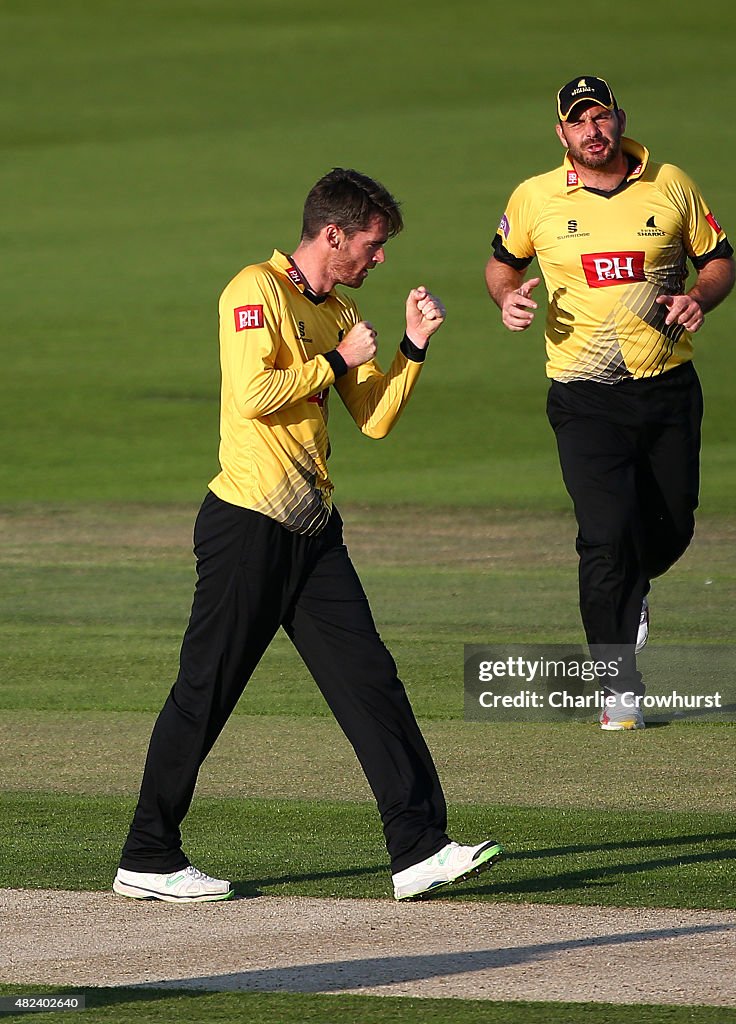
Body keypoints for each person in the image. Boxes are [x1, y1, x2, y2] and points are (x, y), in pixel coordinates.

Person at [114, 168, 502, 903]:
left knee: (371, 683)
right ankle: (148, 854)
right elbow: (255, 393)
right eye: (373, 243)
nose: (380, 257)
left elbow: (376, 418)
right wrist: (335, 360)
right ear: (334, 235)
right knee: (205, 691)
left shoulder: (340, 310)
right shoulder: (252, 292)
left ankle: (419, 849)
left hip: (313, 533)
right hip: (247, 527)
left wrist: (412, 348)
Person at [485, 77, 736, 730]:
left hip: (668, 388)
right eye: (579, 122)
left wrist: (699, 298)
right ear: (562, 135)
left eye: (601, 117)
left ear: (620, 119)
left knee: (672, 525)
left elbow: (719, 262)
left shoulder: (671, 184)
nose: (592, 130)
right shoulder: (535, 198)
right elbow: (501, 264)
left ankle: (634, 585)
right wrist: (505, 296)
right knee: (603, 539)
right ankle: (615, 683)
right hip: (583, 395)